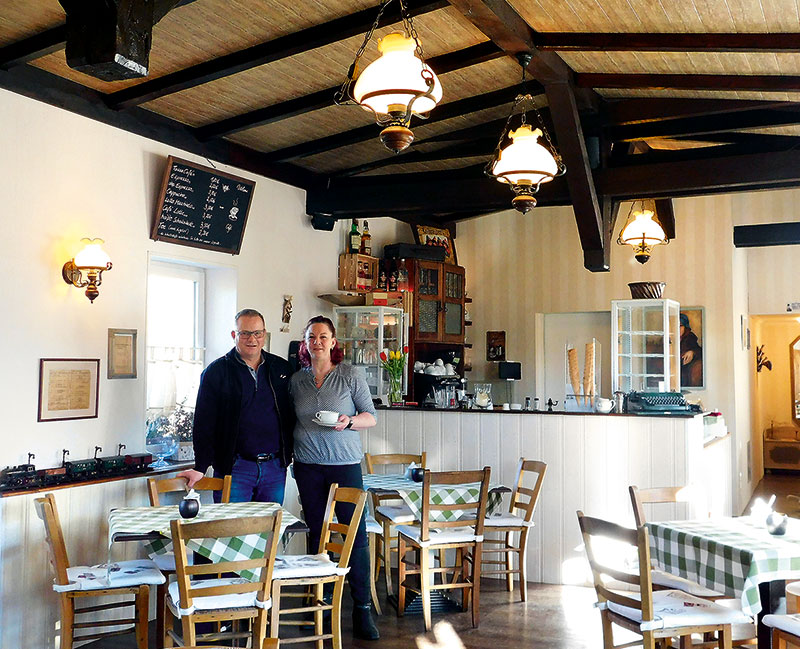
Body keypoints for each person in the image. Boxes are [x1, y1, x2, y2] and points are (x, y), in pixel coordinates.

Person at [290, 315, 380, 641]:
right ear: (305, 343)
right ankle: (319, 604)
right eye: (311, 337)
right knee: (317, 534)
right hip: (308, 466)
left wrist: (350, 420)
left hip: (345, 464)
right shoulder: (296, 381)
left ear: (333, 342)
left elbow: (371, 417)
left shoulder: (349, 375)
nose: (317, 342)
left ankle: (362, 610)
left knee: (355, 536)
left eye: (323, 336)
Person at [177, 308, 295, 504]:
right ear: (234, 335)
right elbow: (204, 423)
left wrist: (289, 456)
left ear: (264, 335)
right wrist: (201, 466)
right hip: (235, 469)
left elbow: (292, 416)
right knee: (231, 532)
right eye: (245, 333)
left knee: (270, 532)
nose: (252, 339)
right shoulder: (216, 372)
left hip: (274, 468)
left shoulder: (281, 369)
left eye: (257, 333)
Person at [680, 312, 703, 388]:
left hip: (685, 368)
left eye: (680, 326)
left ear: (685, 327)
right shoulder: (667, 337)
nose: (677, 329)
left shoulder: (690, 337)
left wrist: (692, 352)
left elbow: (699, 351)